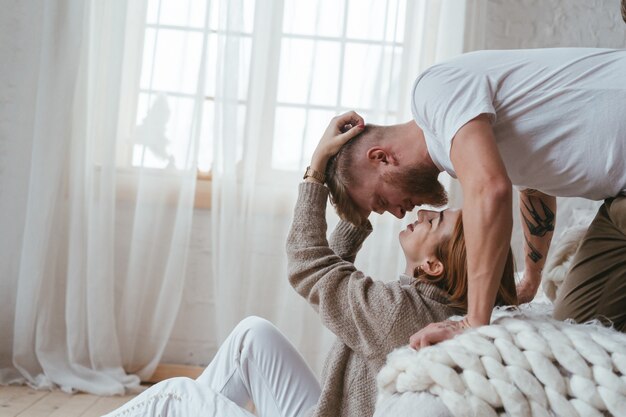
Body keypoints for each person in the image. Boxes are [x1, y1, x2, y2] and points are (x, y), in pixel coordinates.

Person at [103, 112, 517, 417]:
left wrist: (315, 170)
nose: (424, 212)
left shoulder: (399, 314)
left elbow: (308, 266)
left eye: (438, 220)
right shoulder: (423, 306)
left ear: (433, 265)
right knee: (252, 335)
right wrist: (360, 209)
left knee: (175, 395)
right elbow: (329, 275)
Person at [323, 48, 626, 347]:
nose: (399, 214)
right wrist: (531, 280)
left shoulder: (432, 91)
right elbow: (533, 185)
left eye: (381, 202)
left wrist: (473, 322)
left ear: (381, 158)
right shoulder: (459, 149)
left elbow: (491, 190)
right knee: (578, 336)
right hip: (617, 203)